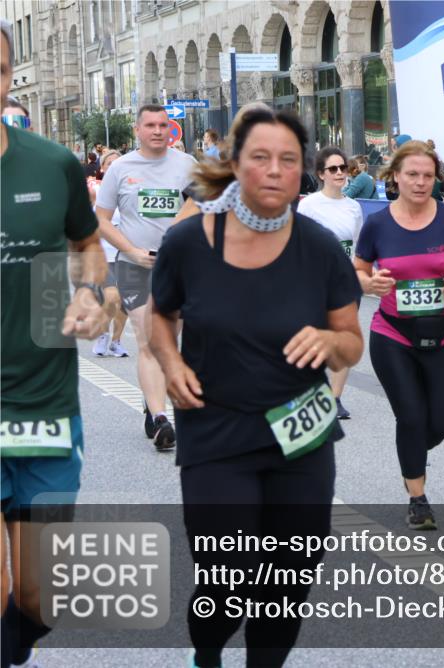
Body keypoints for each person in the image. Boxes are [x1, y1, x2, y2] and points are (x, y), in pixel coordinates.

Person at [150, 105, 363, 668]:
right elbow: (160, 317)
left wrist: (327, 341)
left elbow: (351, 341)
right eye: (260, 157)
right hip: (217, 431)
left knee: (288, 585)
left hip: (302, 434)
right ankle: (208, 655)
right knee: (227, 581)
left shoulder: (320, 249)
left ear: (302, 174)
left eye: (287, 160)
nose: (274, 170)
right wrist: (170, 363)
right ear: (237, 165)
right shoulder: (188, 244)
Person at [1, 20, 109, 668]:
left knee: (39, 600)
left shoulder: (53, 163)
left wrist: (90, 295)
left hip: (43, 404)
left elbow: (87, 245)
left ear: (9, 75)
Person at [355, 140, 444, 530]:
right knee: (410, 415)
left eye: (428, 175)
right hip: (393, 334)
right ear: (395, 177)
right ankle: (418, 498)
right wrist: (367, 283)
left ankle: (410, 451)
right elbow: (358, 268)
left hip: (443, 336)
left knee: (439, 422)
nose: (420, 182)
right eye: (412, 174)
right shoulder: (377, 223)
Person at [95, 104, 198, 451]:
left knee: (167, 340)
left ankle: (150, 399)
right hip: (133, 265)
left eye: (163, 125)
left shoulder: (187, 166)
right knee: (148, 338)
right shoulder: (121, 169)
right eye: (150, 125)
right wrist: (133, 250)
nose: (157, 131)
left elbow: (205, 207)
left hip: (178, 267)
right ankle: (161, 419)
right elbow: (102, 220)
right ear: (137, 130)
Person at [297, 146, 364, 420]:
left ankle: (335, 399)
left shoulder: (354, 206)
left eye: (343, 168)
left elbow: (357, 246)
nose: (339, 173)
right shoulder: (309, 205)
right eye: (333, 169)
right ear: (321, 174)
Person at [91, 150, 130, 358]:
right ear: (103, 168)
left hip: (127, 254)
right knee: (112, 297)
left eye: (118, 162)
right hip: (103, 254)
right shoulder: (94, 191)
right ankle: (103, 333)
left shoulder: (133, 189)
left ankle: (116, 341)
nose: (115, 166)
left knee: (124, 302)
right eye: (110, 163)